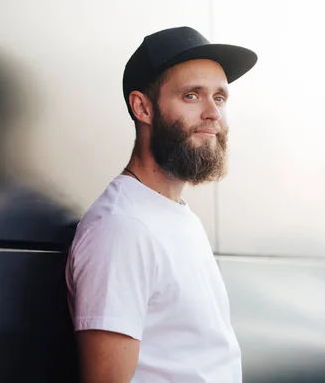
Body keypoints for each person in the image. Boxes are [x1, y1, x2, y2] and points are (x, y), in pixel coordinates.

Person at [65, 26, 257, 383]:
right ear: (143, 107)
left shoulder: (175, 215)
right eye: (191, 96)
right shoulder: (122, 228)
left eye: (219, 97)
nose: (212, 112)